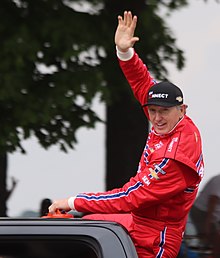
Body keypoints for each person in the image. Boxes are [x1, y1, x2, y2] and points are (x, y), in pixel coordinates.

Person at [49, 11, 204, 258]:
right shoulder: (172, 120)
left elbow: (130, 197)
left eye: (163, 112)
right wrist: (124, 52)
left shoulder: (173, 158)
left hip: (156, 238)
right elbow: (142, 84)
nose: (156, 118)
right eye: (151, 111)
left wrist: (73, 201)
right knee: (79, 226)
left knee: (82, 225)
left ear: (182, 110)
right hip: (137, 220)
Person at [190, 174, 220, 257]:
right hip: (202, 212)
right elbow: (212, 201)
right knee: (217, 243)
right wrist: (207, 225)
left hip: (213, 216)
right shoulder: (218, 180)